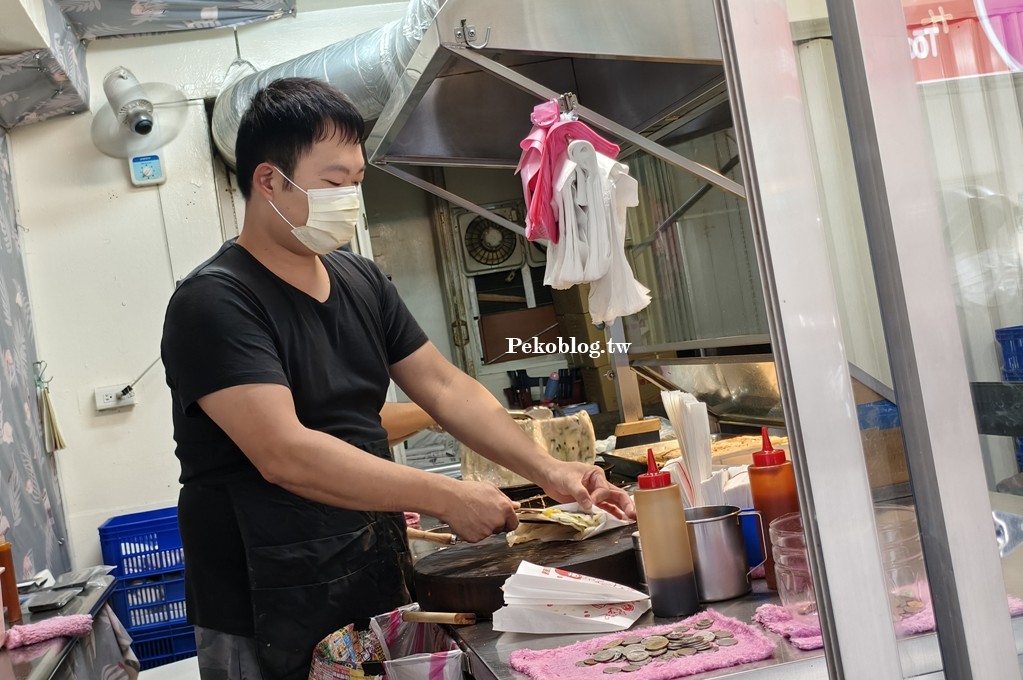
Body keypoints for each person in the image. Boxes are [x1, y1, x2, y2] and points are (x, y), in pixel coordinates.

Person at [160, 77, 634, 680]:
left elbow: (444, 386)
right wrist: (443, 495)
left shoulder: (361, 281)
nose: (350, 199)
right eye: (333, 183)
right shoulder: (215, 303)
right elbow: (284, 453)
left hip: (368, 567)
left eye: (357, 182)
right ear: (269, 181)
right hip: (265, 596)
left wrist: (551, 470)